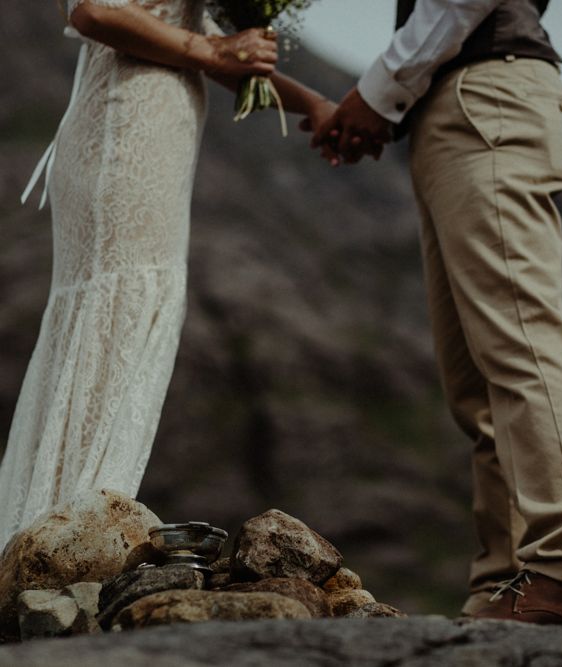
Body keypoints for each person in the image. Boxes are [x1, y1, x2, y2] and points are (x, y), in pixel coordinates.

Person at [311, 0, 562, 624]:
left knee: (520, 337)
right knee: (475, 380)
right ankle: (508, 580)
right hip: (457, 110)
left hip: (487, 97)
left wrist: (377, 91)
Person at [0, 0, 334, 551]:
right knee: (115, 315)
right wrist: (211, 49)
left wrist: (315, 104)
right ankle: (66, 537)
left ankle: (63, 526)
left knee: (118, 320)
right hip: (124, 127)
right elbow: (93, 10)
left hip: (146, 131)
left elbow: (186, 29)